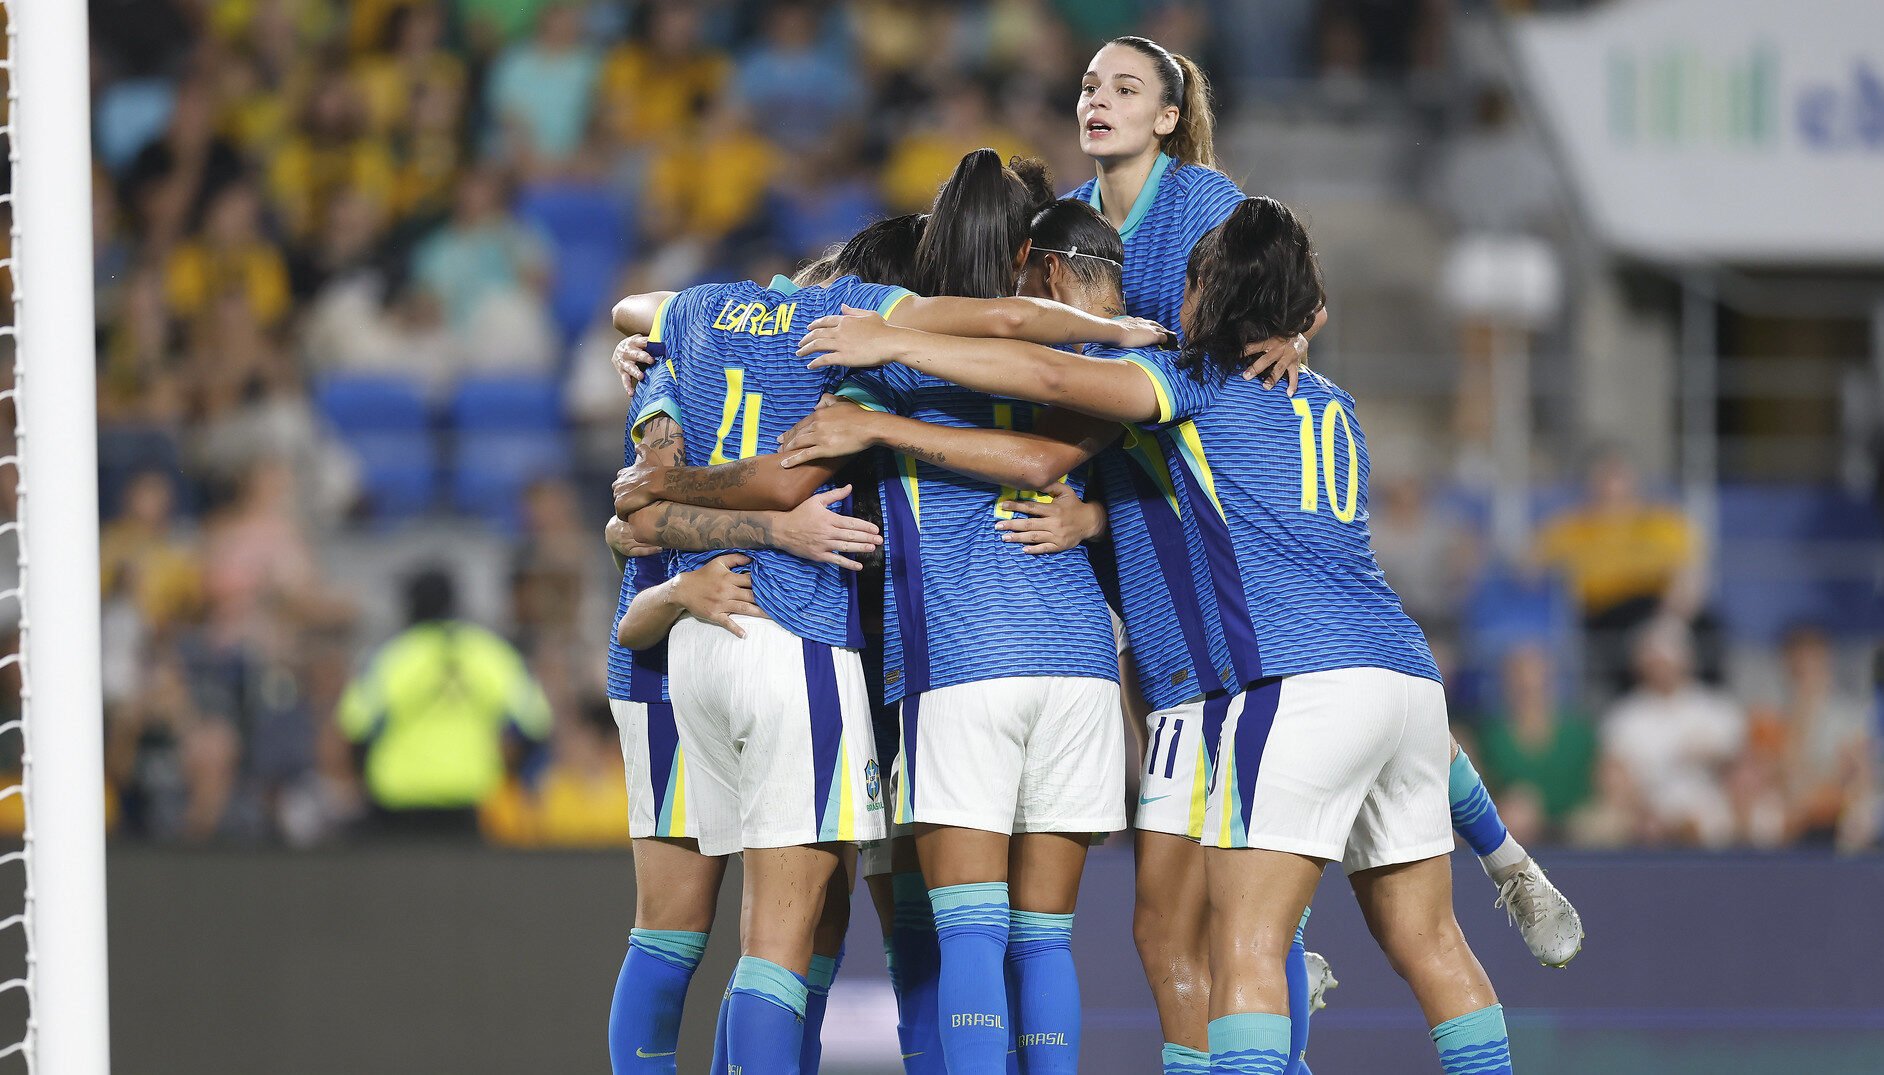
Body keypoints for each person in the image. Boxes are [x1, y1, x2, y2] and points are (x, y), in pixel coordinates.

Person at [793, 195, 1520, 1075]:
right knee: (1433, 942)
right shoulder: (1331, 400)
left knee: (1241, 944)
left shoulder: (1192, 381)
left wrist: (894, 340)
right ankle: (1505, 873)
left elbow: (1056, 382)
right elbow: (1220, 499)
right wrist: (1101, 516)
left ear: (1209, 288)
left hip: (1290, 682)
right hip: (1406, 680)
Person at [609, 151, 1172, 1075]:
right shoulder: (1034, 358)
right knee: (971, 935)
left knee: (764, 931)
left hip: (859, 655)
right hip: (956, 655)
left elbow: (647, 488)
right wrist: (1117, 336)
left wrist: (658, 468)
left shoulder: (737, 324)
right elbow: (1028, 360)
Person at [599, 303, 891, 1075]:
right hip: (674, 655)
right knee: (699, 927)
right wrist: (772, 534)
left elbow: (633, 516)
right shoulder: (680, 371)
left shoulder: (676, 362)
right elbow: (636, 522)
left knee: (788, 918)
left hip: (695, 647)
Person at [335, 568, 550, 837]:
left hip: (398, 804)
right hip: (469, 801)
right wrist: (514, 776)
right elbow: (535, 723)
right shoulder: (490, 653)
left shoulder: (393, 658)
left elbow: (355, 726)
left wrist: (364, 782)